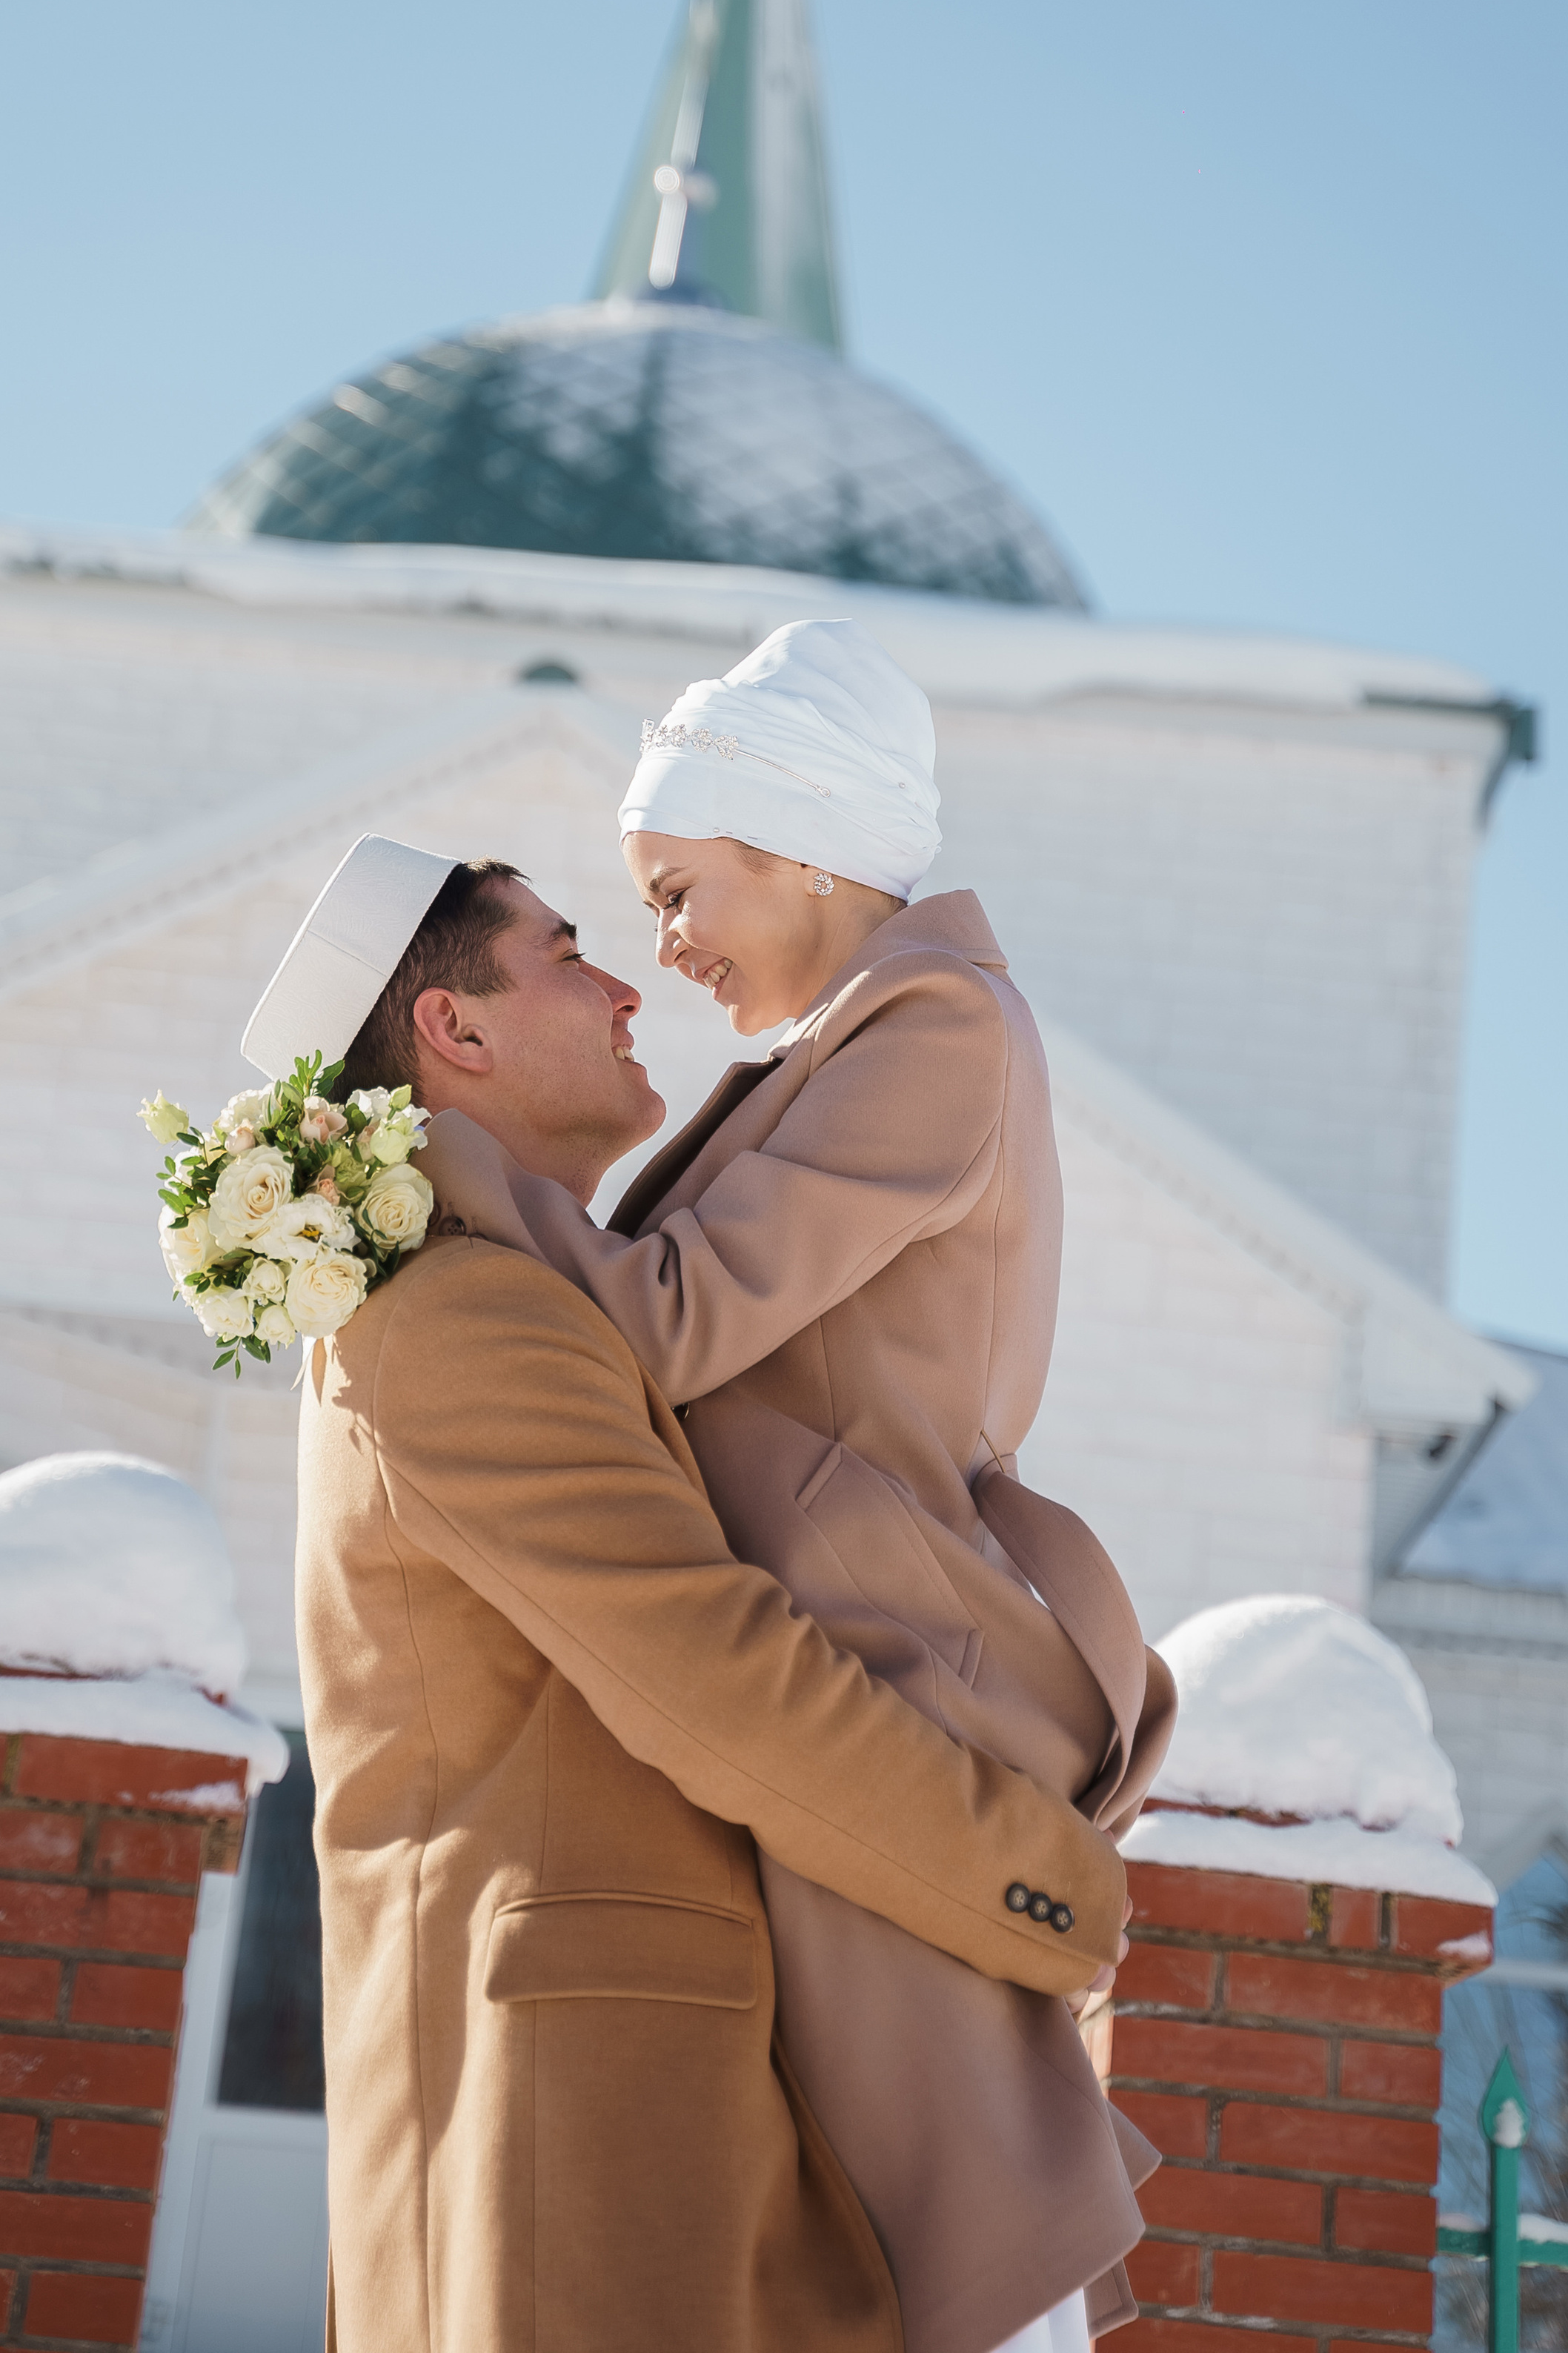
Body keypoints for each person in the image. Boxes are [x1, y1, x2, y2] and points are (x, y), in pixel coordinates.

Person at [250, 833, 1135, 2353]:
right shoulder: (458, 1316)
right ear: (453, 1031)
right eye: (568, 950)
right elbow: (718, 1676)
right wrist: (1043, 1891)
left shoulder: (514, 1296)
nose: (626, 984)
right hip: (572, 2110)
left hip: (642, 2098)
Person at [422, 618, 1177, 2353]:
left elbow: (678, 1320)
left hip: (900, 1643)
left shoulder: (938, 1031)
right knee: (887, 2195)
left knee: (959, 2211)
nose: (664, 944)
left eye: (681, 889)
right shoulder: (844, 1044)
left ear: (800, 851)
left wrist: (429, 1150)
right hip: (835, 1631)